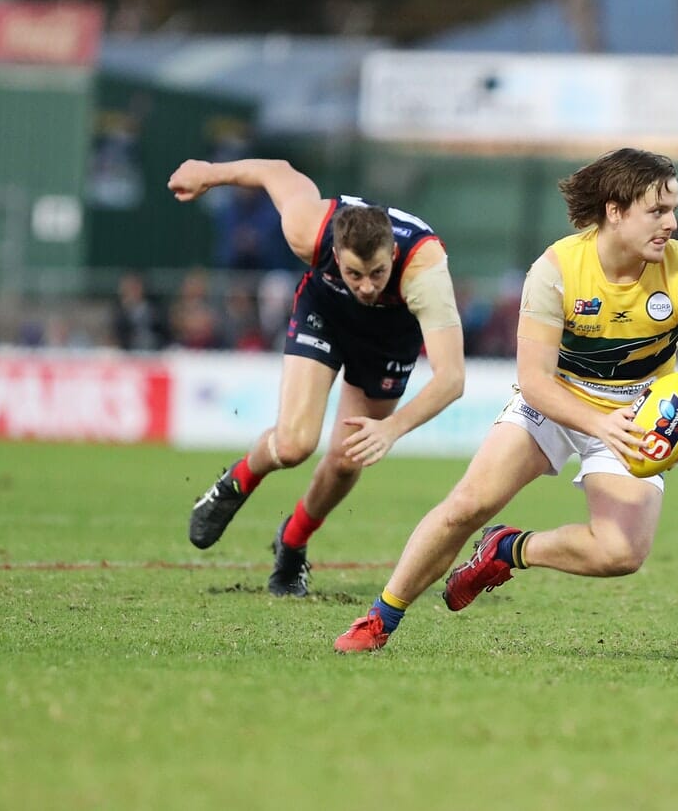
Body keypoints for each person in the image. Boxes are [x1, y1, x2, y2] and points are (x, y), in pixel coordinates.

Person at [333, 148, 678, 652]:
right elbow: (534, 380)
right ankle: (380, 619)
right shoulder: (556, 270)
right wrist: (599, 423)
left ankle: (509, 550)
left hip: (636, 414)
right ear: (615, 211)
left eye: (673, 209)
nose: (671, 223)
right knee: (467, 504)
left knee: (621, 553)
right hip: (556, 400)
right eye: (658, 211)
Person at [167, 157, 465, 596]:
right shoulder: (310, 228)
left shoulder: (425, 271)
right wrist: (209, 173)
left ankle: (291, 543)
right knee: (294, 445)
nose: (366, 286)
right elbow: (276, 171)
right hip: (325, 313)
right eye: (354, 273)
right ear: (335, 254)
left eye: (378, 273)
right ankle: (236, 482)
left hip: (388, 340)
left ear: (394, 256)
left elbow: (452, 378)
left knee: (346, 461)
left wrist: (391, 429)